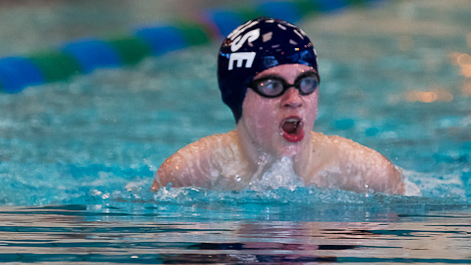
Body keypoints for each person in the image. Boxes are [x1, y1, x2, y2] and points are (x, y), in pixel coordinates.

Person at [151, 17, 406, 195]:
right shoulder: (188, 174)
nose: (294, 99)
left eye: (306, 83)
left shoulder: (368, 175)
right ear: (237, 96)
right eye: (272, 86)